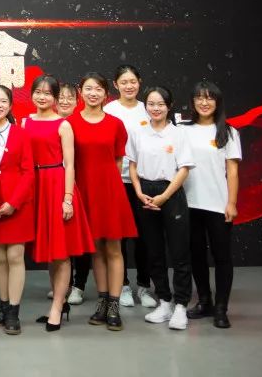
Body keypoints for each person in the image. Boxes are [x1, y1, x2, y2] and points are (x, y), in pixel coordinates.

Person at [69, 73, 139, 331]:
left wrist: (110, 185)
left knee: (114, 249)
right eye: (88, 88)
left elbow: (118, 160)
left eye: (98, 89)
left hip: (110, 192)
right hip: (84, 192)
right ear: (80, 91)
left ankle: (114, 305)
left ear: (106, 94)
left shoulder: (116, 124)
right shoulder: (70, 123)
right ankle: (102, 301)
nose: (93, 93)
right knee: (96, 249)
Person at [24, 75, 94, 332]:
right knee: (50, 252)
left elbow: (70, 165)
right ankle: (60, 301)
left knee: (61, 252)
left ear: (55, 98)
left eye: (47, 93)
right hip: (35, 187)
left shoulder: (63, 125)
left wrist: (67, 199)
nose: (42, 97)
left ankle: (56, 308)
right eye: (38, 92)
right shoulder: (25, 122)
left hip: (56, 186)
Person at [128, 86, 195, 331]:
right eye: (151, 104)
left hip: (171, 192)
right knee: (153, 251)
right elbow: (132, 164)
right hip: (145, 192)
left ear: (169, 106)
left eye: (160, 104)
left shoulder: (178, 134)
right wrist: (138, 192)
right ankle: (164, 302)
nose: (155, 108)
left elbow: (184, 169)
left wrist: (164, 196)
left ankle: (181, 305)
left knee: (179, 252)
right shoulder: (138, 131)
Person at [182, 81, 241, 329]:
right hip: (188, 203)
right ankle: (204, 301)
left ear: (217, 102)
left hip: (217, 204)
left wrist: (231, 203)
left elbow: (233, 171)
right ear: (193, 102)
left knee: (222, 256)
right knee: (196, 255)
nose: (204, 102)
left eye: (209, 98)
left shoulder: (228, 132)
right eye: (199, 98)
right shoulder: (183, 130)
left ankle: (221, 308)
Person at [0, 85, 34, 336]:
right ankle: (3, 307)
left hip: (17, 205)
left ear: (10, 105)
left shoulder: (21, 134)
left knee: (15, 257)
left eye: (3, 101)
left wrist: (14, 202)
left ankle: (13, 311)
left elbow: (28, 172)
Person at [103, 65, 156, 309]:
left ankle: (144, 285)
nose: (129, 86)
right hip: (117, 181)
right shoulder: (109, 110)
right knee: (119, 237)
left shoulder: (149, 109)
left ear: (139, 82)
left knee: (145, 236)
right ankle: (122, 285)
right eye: (123, 82)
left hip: (143, 181)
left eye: (133, 81)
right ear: (116, 85)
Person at [57, 82, 89, 305]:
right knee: (62, 238)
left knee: (80, 238)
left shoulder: (80, 124)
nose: (65, 101)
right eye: (61, 97)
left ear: (77, 101)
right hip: (55, 186)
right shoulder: (50, 122)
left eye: (70, 98)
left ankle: (79, 285)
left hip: (80, 185)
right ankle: (63, 285)